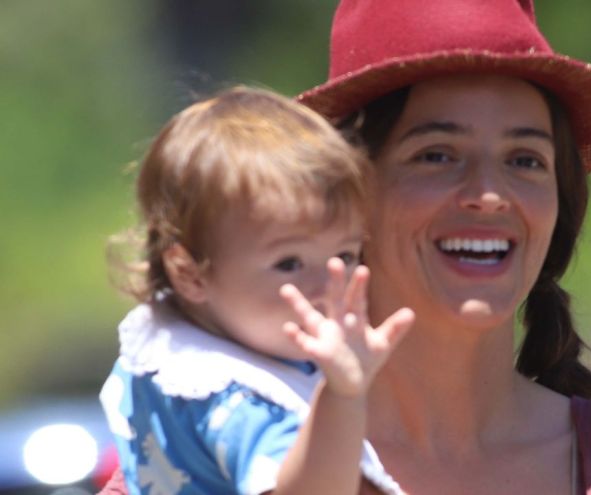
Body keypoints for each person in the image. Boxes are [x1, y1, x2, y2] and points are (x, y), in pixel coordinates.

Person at [100, 0, 591, 493]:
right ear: (345, 196)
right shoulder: (193, 458)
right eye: (436, 155)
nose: (489, 195)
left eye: (525, 160)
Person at [99, 86, 414, 495]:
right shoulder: (241, 401)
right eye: (289, 263)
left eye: (346, 255)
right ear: (190, 274)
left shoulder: (164, 350)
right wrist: (342, 397)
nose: (327, 287)